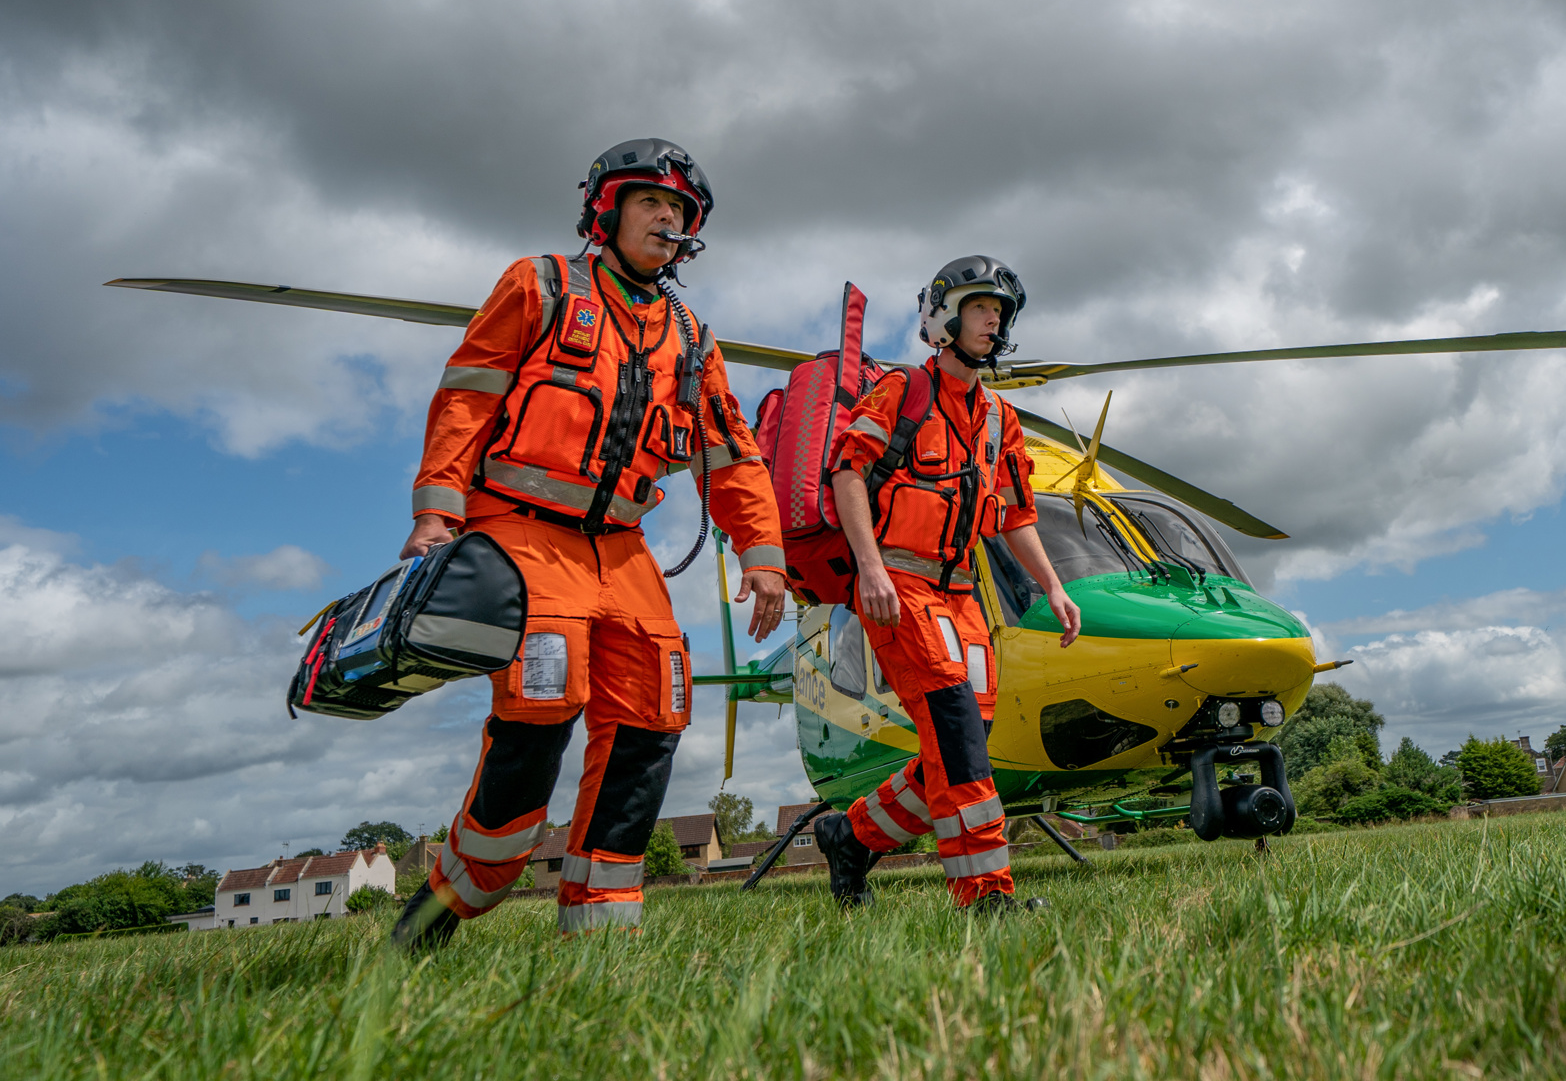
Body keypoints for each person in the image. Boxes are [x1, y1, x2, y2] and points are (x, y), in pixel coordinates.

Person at [390, 139, 787, 949]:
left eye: (679, 211)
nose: (667, 220)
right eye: (651, 203)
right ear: (604, 211)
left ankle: (601, 937)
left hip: (624, 550)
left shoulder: (692, 338)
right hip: (521, 533)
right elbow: (468, 394)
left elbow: (734, 453)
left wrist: (764, 555)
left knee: (657, 714)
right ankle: (445, 907)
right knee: (544, 707)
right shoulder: (537, 285)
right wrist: (436, 510)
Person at [815, 256, 1082, 912]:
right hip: (899, 588)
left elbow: (1016, 514)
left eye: (1001, 310)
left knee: (960, 741)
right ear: (942, 318)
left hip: (961, 596)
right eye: (980, 306)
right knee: (959, 736)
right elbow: (848, 471)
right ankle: (985, 894)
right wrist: (870, 566)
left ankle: (850, 837)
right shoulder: (903, 390)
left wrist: (1054, 586)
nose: (993, 318)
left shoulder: (999, 420)